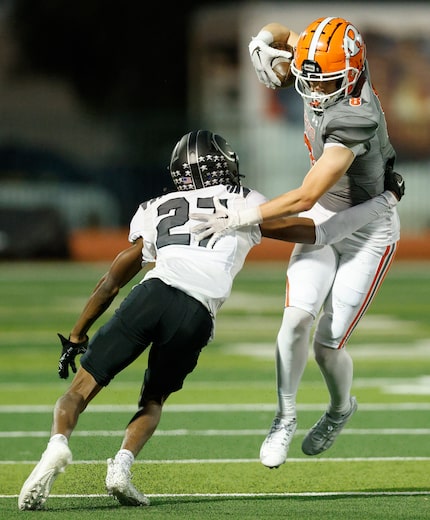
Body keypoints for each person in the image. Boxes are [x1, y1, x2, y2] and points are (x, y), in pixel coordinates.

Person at [18, 130, 401, 511]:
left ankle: (57, 444)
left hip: (151, 294)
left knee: (80, 390)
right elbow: (323, 232)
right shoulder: (246, 202)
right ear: (223, 164)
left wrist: (77, 333)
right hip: (197, 313)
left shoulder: (156, 205)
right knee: (154, 399)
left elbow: (113, 279)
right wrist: (386, 200)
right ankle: (121, 466)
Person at [191, 17, 404, 470]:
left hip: (367, 227)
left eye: (323, 81)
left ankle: (340, 408)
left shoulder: (355, 116)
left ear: (351, 74)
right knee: (293, 322)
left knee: (327, 345)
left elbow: (306, 194)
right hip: (326, 214)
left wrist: (243, 216)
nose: (312, 89)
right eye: (309, 76)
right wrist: (260, 45)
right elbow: (280, 32)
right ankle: (284, 417)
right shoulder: (317, 54)